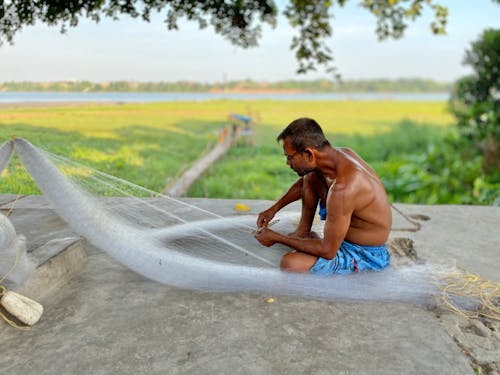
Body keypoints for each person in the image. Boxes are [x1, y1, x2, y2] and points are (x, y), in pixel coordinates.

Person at [254, 118, 392, 275]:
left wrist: (277, 238)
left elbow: (328, 251)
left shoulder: (344, 188)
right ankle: (303, 233)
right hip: (342, 238)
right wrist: (274, 209)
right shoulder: (338, 156)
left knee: (290, 263)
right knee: (311, 176)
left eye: (290, 157)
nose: (288, 163)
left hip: (365, 254)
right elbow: (303, 184)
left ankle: (306, 241)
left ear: (308, 154)